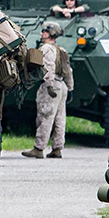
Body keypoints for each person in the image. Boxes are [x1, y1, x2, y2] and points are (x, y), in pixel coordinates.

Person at [23, 22, 70, 159]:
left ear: (51, 33)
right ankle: (57, 148)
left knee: (45, 116)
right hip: (62, 85)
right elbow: (68, 71)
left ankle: (38, 148)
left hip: (52, 84)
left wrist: (49, 84)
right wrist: (69, 87)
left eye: (44, 31)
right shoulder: (61, 50)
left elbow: (47, 67)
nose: (41, 34)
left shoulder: (47, 49)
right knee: (60, 118)